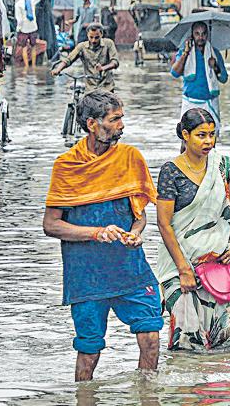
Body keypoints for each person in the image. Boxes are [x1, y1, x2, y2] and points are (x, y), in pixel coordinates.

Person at [43, 91, 162, 380]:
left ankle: (147, 397)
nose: (122, 125)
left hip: (130, 269)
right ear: (92, 124)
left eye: (122, 118)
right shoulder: (67, 165)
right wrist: (96, 233)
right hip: (87, 276)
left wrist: (136, 232)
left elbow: (139, 214)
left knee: (151, 340)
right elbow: (52, 225)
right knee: (89, 353)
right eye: (115, 119)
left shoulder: (130, 158)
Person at [155, 108, 230, 350]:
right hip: (181, 265)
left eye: (212, 134)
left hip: (218, 262)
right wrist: (183, 269)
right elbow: (164, 224)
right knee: (188, 342)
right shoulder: (171, 171)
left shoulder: (220, 165)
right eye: (201, 135)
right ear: (185, 135)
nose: (208, 141)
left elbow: (229, 206)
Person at [169, 21, 228, 133]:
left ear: (207, 35)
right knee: (186, 138)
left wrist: (215, 66)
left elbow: (224, 78)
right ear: (192, 35)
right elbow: (175, 73)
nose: (200, 37)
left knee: (211, 138)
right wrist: (185, 53)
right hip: (190, 101)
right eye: (197, 34)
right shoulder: (184, 51)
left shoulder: (214, 53)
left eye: (203, 34)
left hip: (210, 102)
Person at [51, 23, 119, 93]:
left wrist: (103, 68)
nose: (93, 40)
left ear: (101, 35)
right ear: (87, 35)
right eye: (91, 37)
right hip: (90, 89)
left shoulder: (109, 43)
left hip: (106, 87)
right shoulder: (82, 47)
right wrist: (58, 69)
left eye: (97, 37)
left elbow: (115, 62)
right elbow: (68, 60)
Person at [15, 0, 45, 69]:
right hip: (33, 27)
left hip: (23, 29)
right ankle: (34, 66)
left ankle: (27, 66)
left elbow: (19, 19)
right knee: (33, 47)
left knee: (24, 47)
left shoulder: (18, 4)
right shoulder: (31, 0)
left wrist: (18, 28)